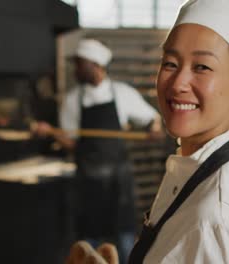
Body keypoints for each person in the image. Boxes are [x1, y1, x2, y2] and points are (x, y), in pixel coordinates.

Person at [128, 0, 229, 263]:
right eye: (170, 63)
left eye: (202, 67)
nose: (178, 83)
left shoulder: (217, 221)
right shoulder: (203, 163)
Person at [34, 39, 162, 263]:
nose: (76, 69)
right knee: (88, 244)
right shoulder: (73, 100)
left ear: (95, 65)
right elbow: (71, 141)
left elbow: (152, 117)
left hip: (118, 181)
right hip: (88, 182)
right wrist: (53, 133)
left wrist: (154, 128)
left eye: (80, 64)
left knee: (124, 241)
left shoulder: (122, 93)